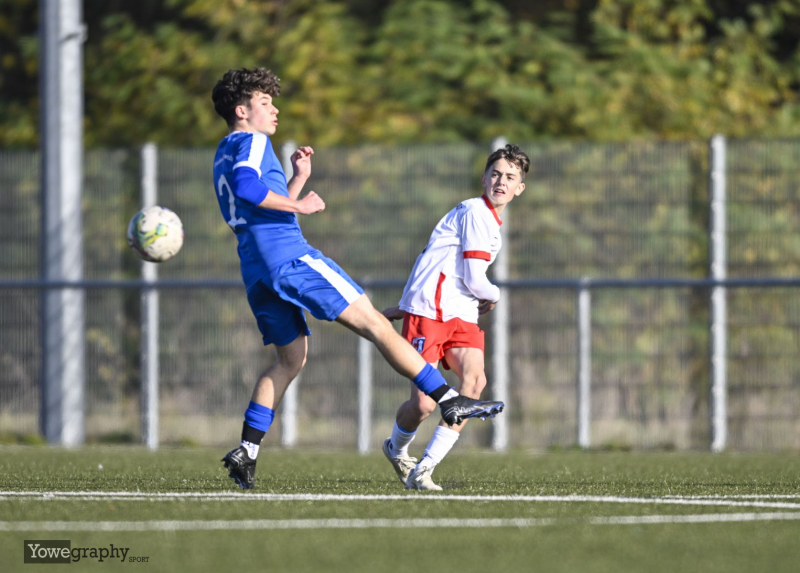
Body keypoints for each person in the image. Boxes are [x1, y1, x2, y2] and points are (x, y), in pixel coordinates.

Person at [210, 67, 505, 489]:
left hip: (255, 267)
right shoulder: (254, 141)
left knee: (290, 360)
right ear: (242, 111)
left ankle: (247, 451)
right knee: (377, 325)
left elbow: (256, 204)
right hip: (289, 256)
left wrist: (297, 180)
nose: (274, 109)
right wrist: (303, 206)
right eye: (264, 103)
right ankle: (449, 400)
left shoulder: (224, 148)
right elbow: (247, 188)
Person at [381, 144, 529, 490]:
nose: (501, 181)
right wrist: (494, 294)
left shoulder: (488, 219)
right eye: (495, 174)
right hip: (431, 310)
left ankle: (425, 469)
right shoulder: (476, 211)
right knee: (422, 405)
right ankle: (397, 449)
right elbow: (476, 279)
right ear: (483, 177)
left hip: (460, 311)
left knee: (474, 383)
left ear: (520, 188)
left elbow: (438, 260)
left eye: (510, 177)